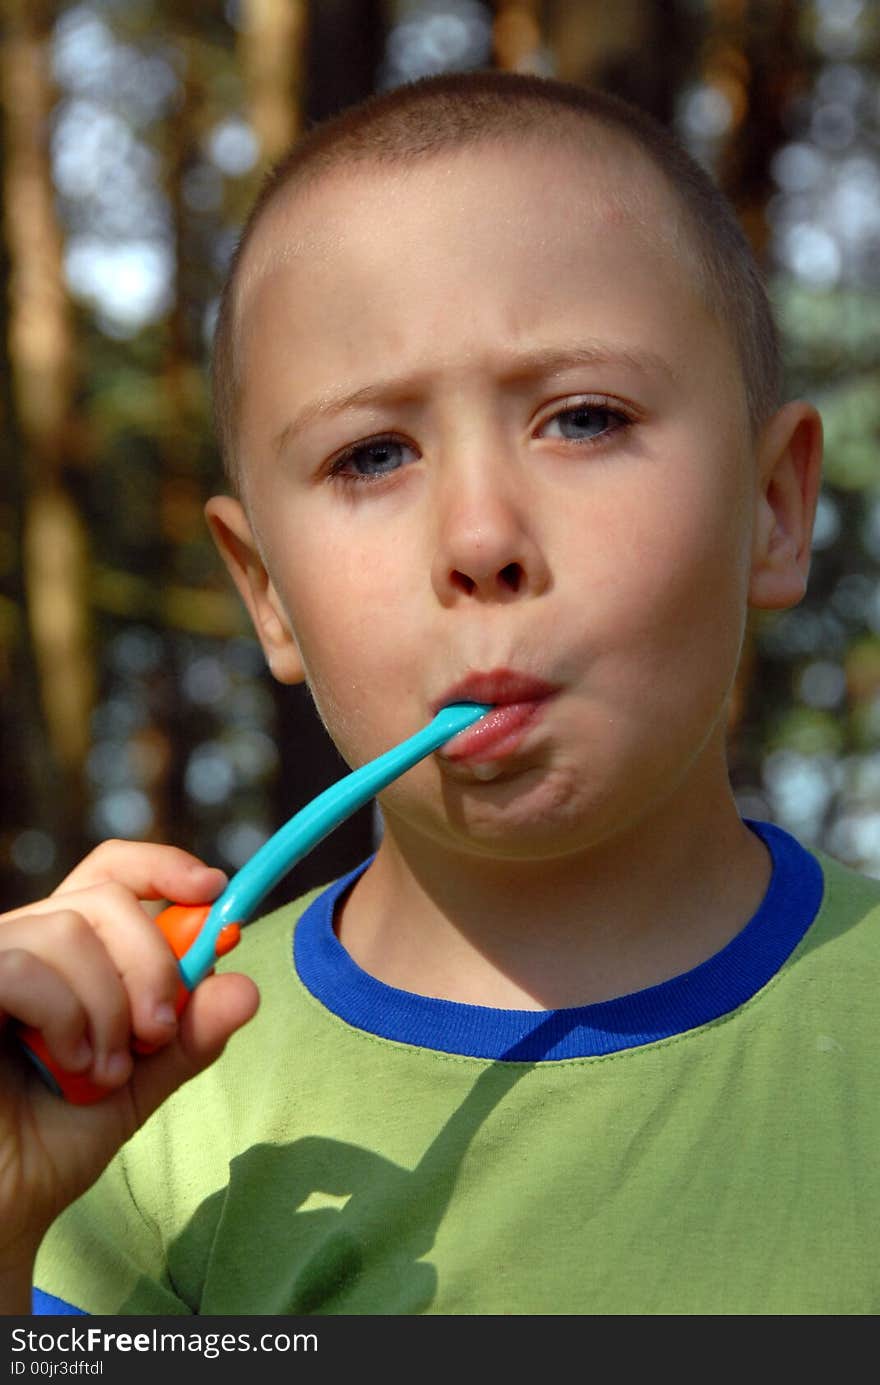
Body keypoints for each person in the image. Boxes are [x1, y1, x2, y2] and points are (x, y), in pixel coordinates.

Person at [1, 68, 876, 1317]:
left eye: (581, 418)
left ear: (774, 510)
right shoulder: (134, 1135)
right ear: (266, 595)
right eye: (372, 453)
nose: (479, 536)